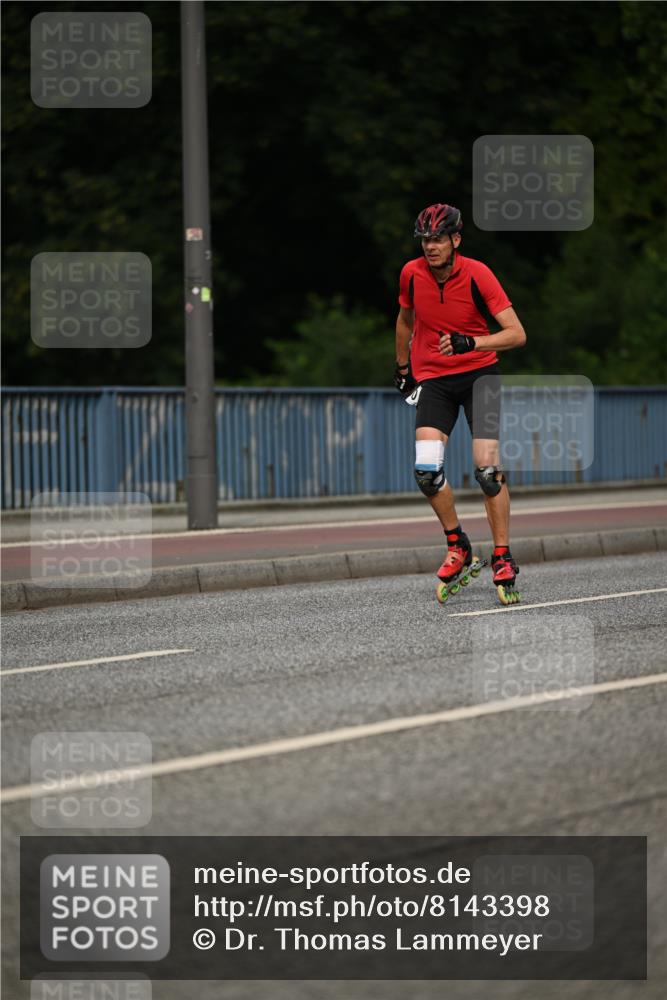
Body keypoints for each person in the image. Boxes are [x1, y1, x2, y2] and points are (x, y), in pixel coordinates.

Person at [394, 202, 527, 603]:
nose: (430, 247)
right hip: (434, 379)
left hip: (480, 375)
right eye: (424, 240)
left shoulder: (478, 274)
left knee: (487, 471)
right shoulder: (411, 274)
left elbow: (517, 334)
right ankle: (459, 544)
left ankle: (501, 555)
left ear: (455, 240)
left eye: (437, 239)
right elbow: (405, 320)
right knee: (426, 472)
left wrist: (474, 342)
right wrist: (402, 369)